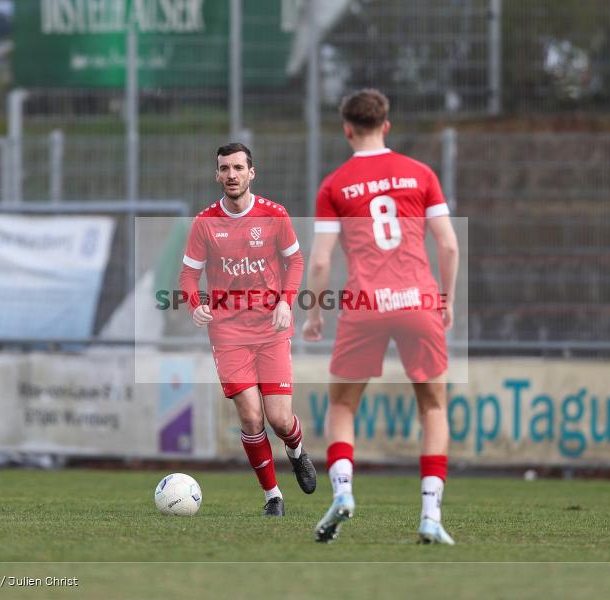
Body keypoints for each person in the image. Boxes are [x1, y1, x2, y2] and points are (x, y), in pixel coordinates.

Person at [302, 89, 460, 544]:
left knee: (342, 404)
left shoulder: (334, 186)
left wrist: (313, 314)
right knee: (432, 406)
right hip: (418, 301)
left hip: (364, 304)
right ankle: (430, 514)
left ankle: (343, 492)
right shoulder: (421, 174)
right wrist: (445, 298)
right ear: (386, 124)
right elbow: (448, 245)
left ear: (347, 129)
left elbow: (319, 261)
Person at [179, 142, 316, 516]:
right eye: (224, 169)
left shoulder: (274, 214)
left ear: (251, 173)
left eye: (238, 168)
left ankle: (296, 450)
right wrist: (197, 305)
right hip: (228, 333)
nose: (231, 175)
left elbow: (296, 261)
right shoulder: (205, 222)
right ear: (217, 175)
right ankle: (273, 496)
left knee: (279, 419)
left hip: (270, 328)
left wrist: (287, 301)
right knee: (252, 417)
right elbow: (188, 276)